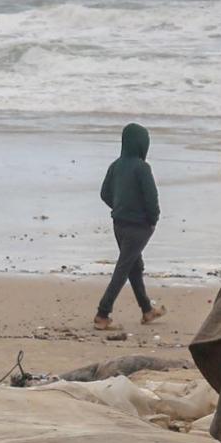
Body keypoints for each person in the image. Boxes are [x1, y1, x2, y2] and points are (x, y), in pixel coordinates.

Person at [95, 122, 163, 329]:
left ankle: (147, 310)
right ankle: (102, 314)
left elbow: (104, 193)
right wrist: (153, 219)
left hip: (119, 224)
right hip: (139, 226)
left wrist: (119, 207)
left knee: (134, 266)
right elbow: (152, 198)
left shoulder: (115, 165)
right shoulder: (142, 168)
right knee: (124, 268)